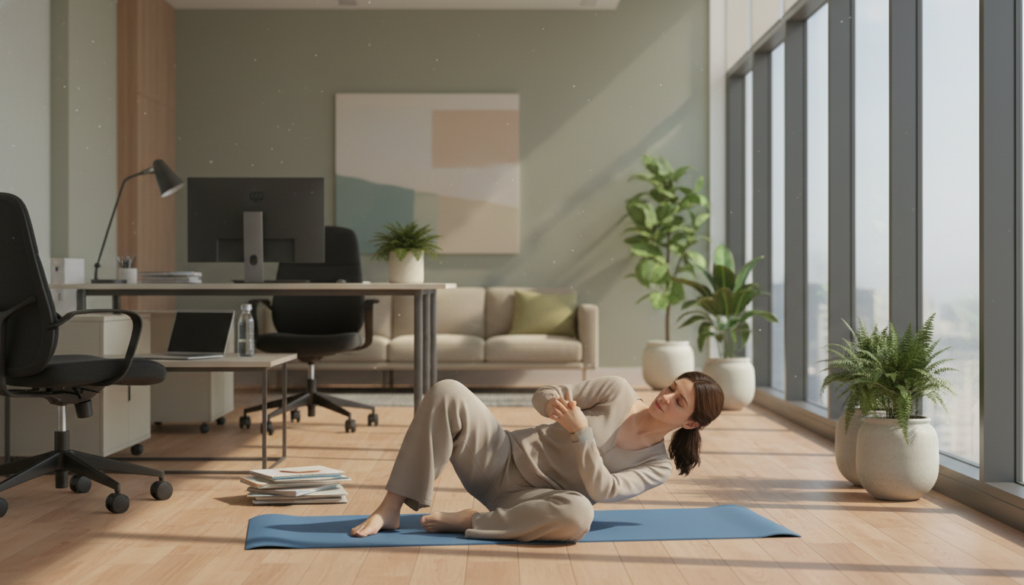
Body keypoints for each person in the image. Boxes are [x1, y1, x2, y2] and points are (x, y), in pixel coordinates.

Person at [349, 372, 725, 542]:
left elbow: (603, 488)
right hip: (499, 457)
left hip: (530, 503)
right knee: (448, 390)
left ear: (690, 422)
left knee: (580, 515)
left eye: (678, 401)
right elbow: (544, 391)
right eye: (671, 387)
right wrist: (553, 406)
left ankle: (473, 520)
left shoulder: (657, 466)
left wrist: (581, 433)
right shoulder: (617, 390)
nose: (665, 397)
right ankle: (390, 507)